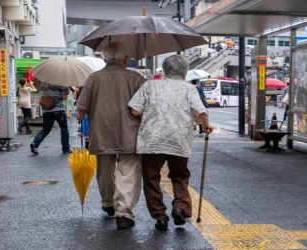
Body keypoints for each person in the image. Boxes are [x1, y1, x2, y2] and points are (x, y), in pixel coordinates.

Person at [128, 55, 214, 231]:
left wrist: (151, 116)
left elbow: (135, 111)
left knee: (151, 178)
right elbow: (200, 111)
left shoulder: (150, 85)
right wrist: (206, 125)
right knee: (180, 176)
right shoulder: (189, 89)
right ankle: (180, 207)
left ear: (165, 70)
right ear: (184, 71)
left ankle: (160, 216)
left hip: (151, 139)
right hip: (178, 139)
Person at [76, 42, 147, 230]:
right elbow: (146, 106)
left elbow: (81, 108)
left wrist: (82, 117)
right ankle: (123, 212)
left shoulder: (93, 78)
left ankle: (108, 203)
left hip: (101, 131)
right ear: (125, 58)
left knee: (104, 169)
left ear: (105, 58)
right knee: (128, 171)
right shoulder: (136, 78)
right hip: (129, 132)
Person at [30, 83, 71, 155]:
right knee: (64, 129)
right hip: (58, 109)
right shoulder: (63, 82)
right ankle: (65, 148)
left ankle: (35, 143)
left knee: (45, 129)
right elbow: (64, 97)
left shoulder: (44, 83)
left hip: (46, 110)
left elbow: (42, 95)